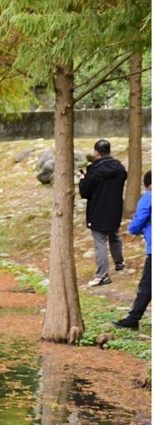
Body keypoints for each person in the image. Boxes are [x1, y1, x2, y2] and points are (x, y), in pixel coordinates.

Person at [79, 139, 127, 286]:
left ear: (96, 153)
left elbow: (85, 192)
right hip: (115, 209)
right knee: (115, 235)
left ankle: (103, 275)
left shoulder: (93, 171)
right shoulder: (119, 168)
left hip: (98, 212)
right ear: (109, 151)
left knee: (100, 242)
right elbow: (123, 178)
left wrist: (82, 179)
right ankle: (119, 262)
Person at [114, 170, 151, 330]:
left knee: (147, 286)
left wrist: (136, 230)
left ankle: (133, 319)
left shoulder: (149, 197)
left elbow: (137, 223)